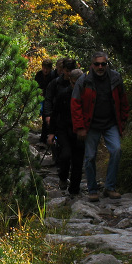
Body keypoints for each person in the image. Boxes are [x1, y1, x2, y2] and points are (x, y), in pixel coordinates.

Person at [71, 51, 130, 202]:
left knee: (116, 150)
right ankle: (92, 189)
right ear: (92, 65)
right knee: (90, 157)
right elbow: (75, 104)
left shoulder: (115, 78)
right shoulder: (84, 81)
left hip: (111, 123)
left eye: (103, 64)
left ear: (107, 64)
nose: (100, 67)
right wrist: (80, 127)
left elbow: (123, 99)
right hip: (91, 125)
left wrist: (123, 119)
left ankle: (110, 187)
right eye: (97, 64)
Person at [47, 68, 85, 197]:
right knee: (65, 155)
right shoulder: (63, 95)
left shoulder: (87, 95)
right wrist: (51, 133)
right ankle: (63, 177)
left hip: (80, 131)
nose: (77, 86)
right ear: (70, 82)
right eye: (75, 83)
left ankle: (74, 189)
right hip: (64, 130)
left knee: (78, 161)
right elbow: (55, 114)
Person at [34, 59, 55, 144]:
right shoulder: (39, 75)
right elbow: (35, 86)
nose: (45, 70)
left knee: (48, 119)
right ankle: (43, 139)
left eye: (47, 68)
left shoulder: (53, 76)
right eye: (44, 68)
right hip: (41, 99)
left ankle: (45, 138)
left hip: (50, 100)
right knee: (44, 119)